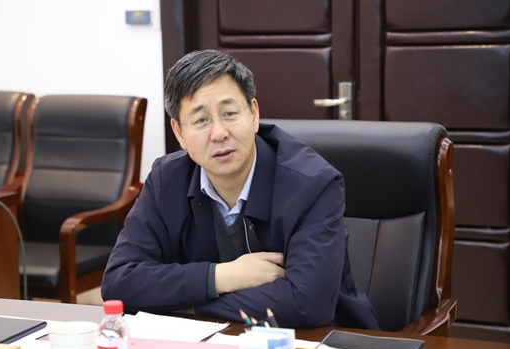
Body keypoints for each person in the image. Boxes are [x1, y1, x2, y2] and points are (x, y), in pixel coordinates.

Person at [101, 49, 380, 329]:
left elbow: (305, 305)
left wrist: (188, 305)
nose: (219, 133)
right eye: (201, 120)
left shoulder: (312, 184)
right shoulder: (166, 179)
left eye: (230, 113)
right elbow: (119, 284)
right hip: (211, 345)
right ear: (179, 133)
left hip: (317, 343)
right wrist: (223, 277)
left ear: (254, 114)